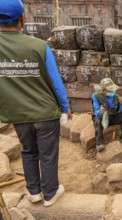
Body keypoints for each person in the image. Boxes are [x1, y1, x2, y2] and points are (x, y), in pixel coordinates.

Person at [0, 0, 72, 207]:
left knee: (28, 151)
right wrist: (65, 107)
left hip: (18, 114)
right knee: (48, 155)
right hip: (46, 113)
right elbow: (56, 83)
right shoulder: (39, 46)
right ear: (22, 18)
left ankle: (34, 192)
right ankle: (50, 193)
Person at [91, 78, 122, 151]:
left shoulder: (116, 96)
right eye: (110, 90)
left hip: (113, 117)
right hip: (102, 118)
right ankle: (99, 143)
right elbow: (96, 110)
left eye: (113, 89)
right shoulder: (96, 96)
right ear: (103, 90)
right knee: (97, 120)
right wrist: (100, 112)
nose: (112, 91)